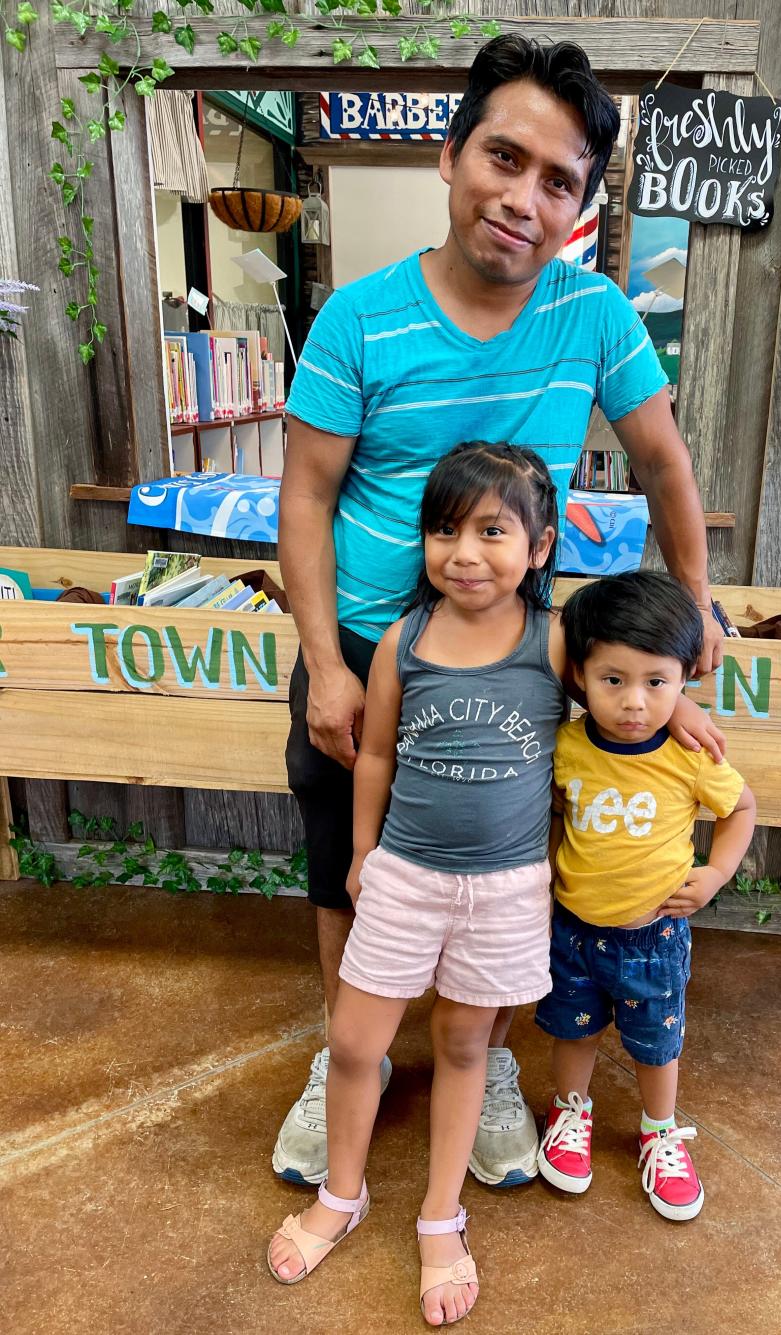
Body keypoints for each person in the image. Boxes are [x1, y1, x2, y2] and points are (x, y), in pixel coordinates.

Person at [275, 32, 726, 1193]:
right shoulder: (358, 321)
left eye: (559, 181)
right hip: (374, 658)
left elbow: (668, 468)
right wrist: (324, 661)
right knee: (349, 867)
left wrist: (691, 621)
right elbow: (308, 497)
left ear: (580, 204)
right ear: (450, 152)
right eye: (504, 157)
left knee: (513, 870)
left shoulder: (596, 316)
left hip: (526, 666)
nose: (525, 198)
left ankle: (489, 1064)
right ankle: (345, 1063)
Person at [268, 443, 566, 1323]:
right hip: (403, 877)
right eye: (444, 530)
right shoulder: (406, 638)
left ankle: (442, 1218)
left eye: (491, 530)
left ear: (539, 546)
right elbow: (378, 755)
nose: (464, 552)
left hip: (507, 890)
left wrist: (686, 703)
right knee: (358, 1042)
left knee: (465, 1047)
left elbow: (632, 682)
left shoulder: (556, 643)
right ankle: (342, 1195)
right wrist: (363, 850)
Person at [534, 573, 756, 1220]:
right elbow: (554, 814)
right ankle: (570, 1111)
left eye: (656, 683)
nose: (634, 702)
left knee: (656, 1044)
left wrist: (715, 874)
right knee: (572, 1030)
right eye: (613, 680)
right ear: (579, 674)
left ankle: (659, 1129)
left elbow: (741, 806)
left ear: (684, 675)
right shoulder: (567, 747)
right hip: (573, 928)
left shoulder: (691, 752)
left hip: (652, 935)